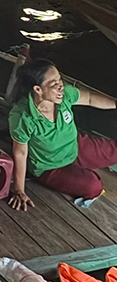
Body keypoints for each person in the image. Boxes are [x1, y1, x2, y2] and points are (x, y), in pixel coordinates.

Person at [8, 59, 117, 209]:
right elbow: (20, 153)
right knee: (93, 187)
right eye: (54, 84)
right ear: (38, 89)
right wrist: (19, 189)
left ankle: (82, 169)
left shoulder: (64, 95)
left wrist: (116, 104)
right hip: (51, 166)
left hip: (75, 145)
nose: (60, 86)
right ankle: (82, 173)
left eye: (60, 80)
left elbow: (90, 98)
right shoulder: (23, 117)